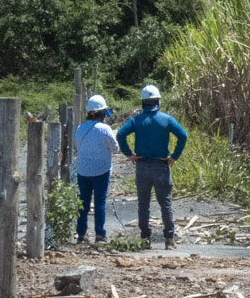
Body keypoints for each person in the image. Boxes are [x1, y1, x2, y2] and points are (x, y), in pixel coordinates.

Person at [117, 84, 188, 249]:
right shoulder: (166, 119)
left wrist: (129, 155)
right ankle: (169, 239)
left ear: (143, 102)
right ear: (158, 101)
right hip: (161, 165)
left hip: (141, 165)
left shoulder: (135, 120)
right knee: (165, 203)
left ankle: (145, 239)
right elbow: (183, 135)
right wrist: (174, 157)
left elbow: (120, 134)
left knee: (143, 203)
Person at [74, 94, 118, 244]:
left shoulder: (79, 128)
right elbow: (115, 149)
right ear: (101, 112)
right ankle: (100, 234)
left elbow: (78, 147)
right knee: (99, 203)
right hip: (101, 170)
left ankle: (80, 235)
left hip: (83, 171)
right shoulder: (105, 129)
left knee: (83, 203)